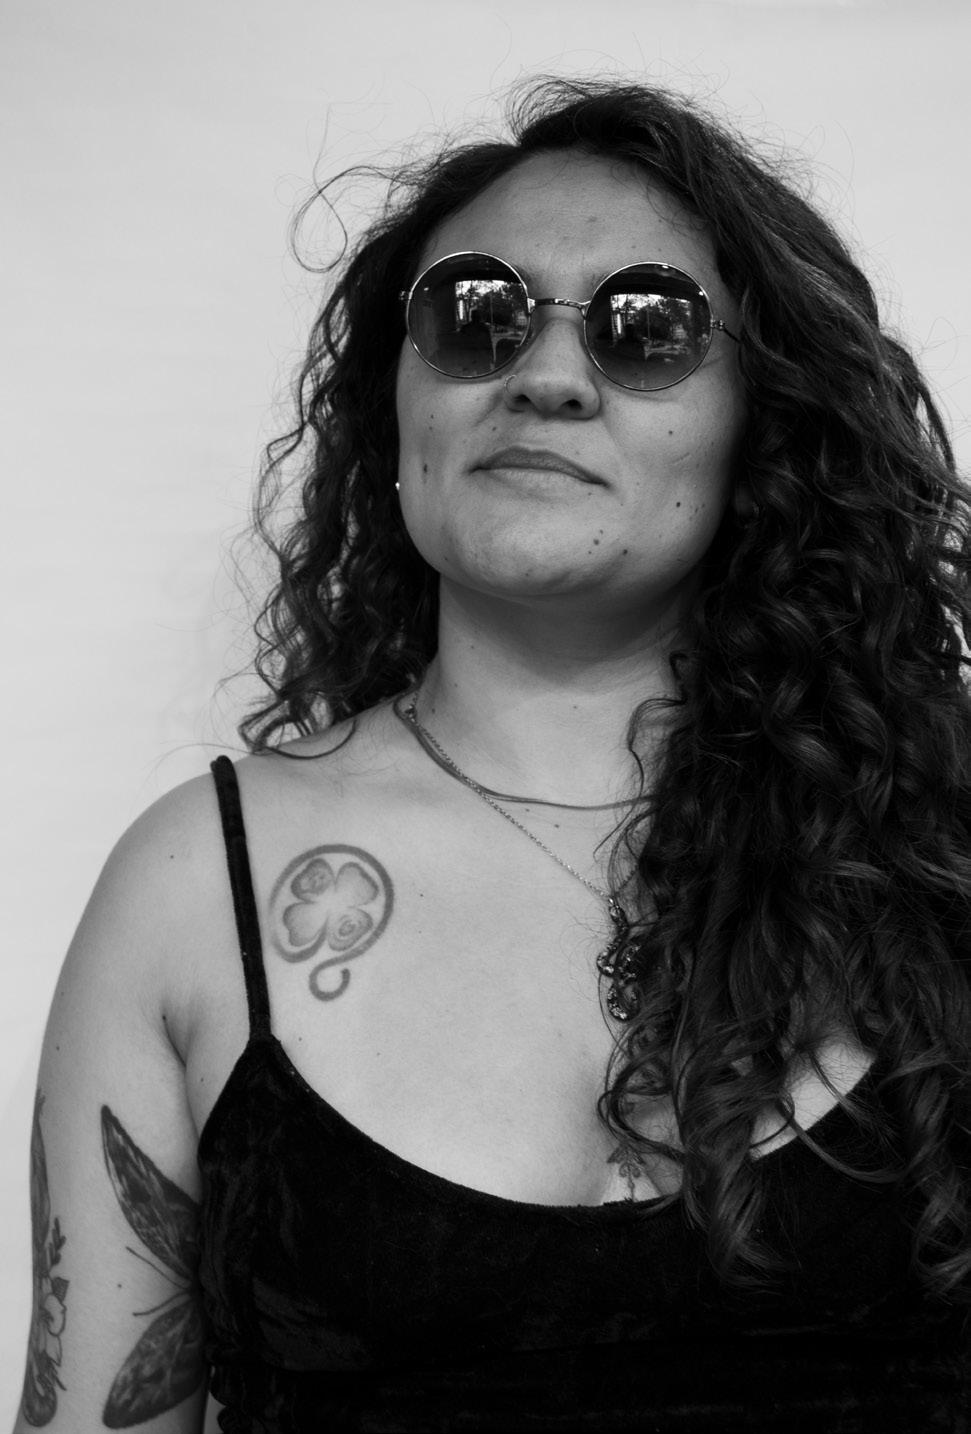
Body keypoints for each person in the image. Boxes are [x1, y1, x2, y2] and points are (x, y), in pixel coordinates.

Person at [14, 76, 971, 1433]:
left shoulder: (941, 862)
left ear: (760, 421)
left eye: (648, 328)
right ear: (398, 402)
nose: (548, 376)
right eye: (477, 315)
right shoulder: (192, 895)